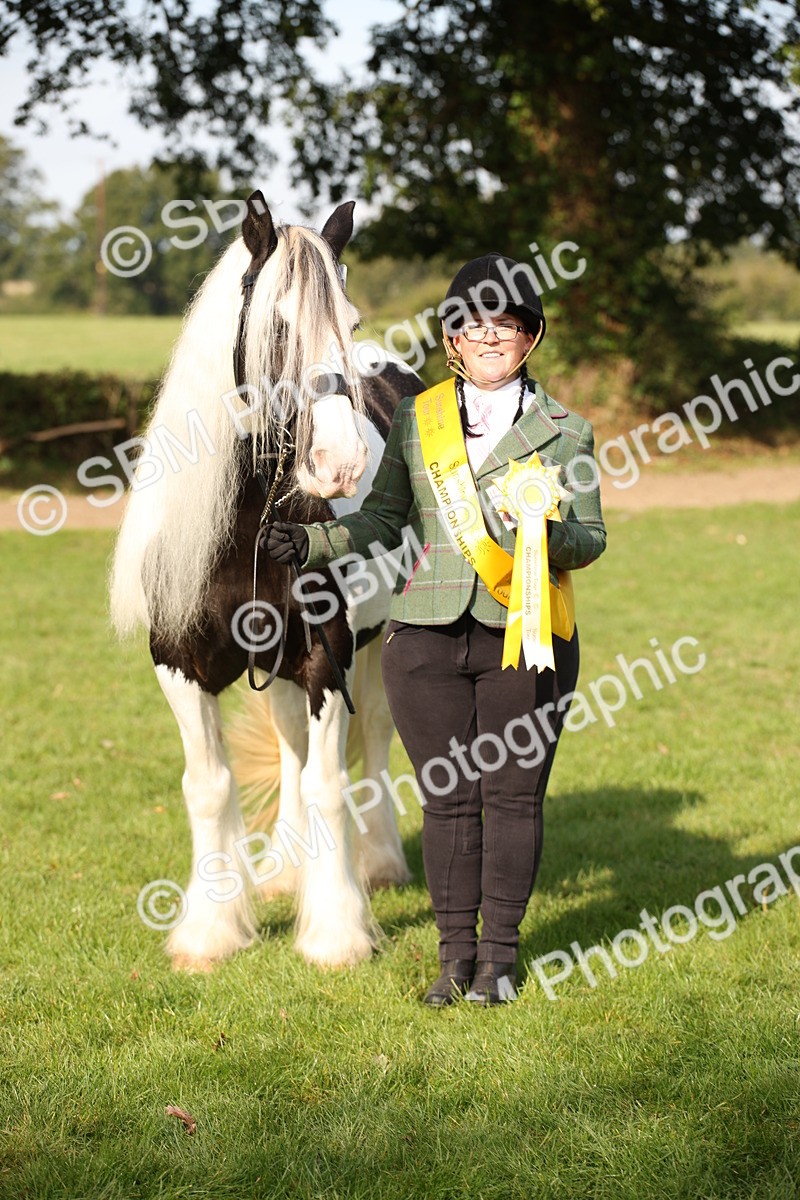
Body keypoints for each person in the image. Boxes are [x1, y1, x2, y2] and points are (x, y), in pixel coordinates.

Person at [267, 253, 606, 1005]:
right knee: (447, 801)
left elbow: (592, 537)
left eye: (508, 326)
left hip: (527, 634)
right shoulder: (419, 421)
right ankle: (455, 964)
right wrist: (315, 544)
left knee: (514, 799)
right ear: (452, 339)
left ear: (530, 338)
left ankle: (501, 963)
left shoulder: (566, 432)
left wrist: (547, 536)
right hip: (422, 636)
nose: (491, 338)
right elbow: (386, 519)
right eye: (474, 325)